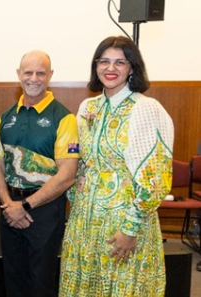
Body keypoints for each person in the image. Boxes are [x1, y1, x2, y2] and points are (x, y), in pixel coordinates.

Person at [59, 36, 174, 297]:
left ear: (132, 68)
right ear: (96, 66)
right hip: (85, 222)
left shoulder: (145, 108)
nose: (110, 68)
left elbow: (155, 178)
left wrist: (130, 229)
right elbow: (80, 164)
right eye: (104, 61)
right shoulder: (88, 107)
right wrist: (75, 203)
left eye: (120, 62)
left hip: (123, 222)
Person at [0, 50, 79, 297]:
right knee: (13, 278)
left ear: (50, 75)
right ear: (19, 74)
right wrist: (9, 204)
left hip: (45, 211)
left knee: (41, 281)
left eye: (41, 73)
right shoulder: (7, 116)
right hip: (10, 210)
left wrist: (25, 206)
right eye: (28, 72)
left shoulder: (63, 118)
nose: (34, 78)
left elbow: (67, 175)